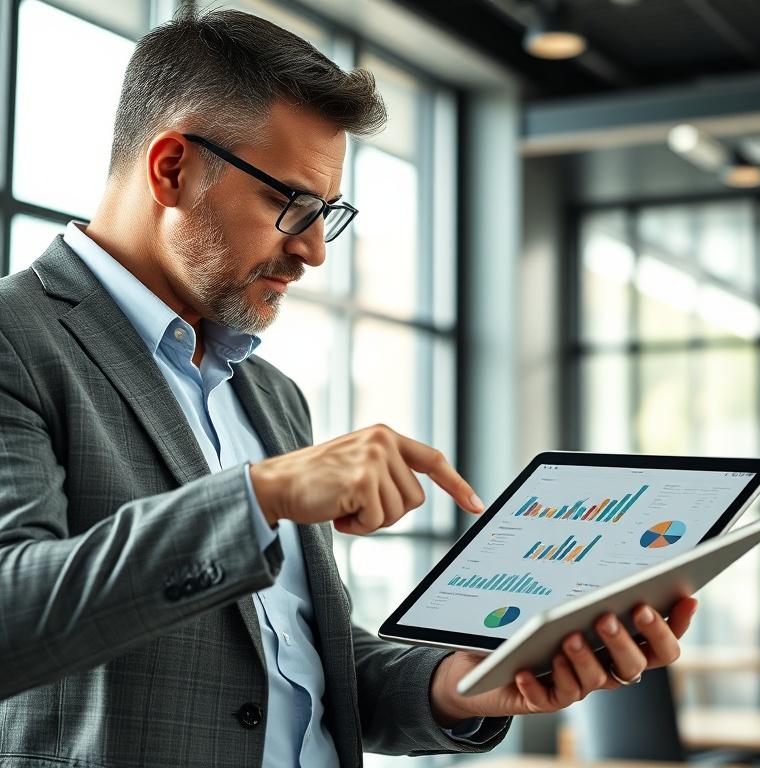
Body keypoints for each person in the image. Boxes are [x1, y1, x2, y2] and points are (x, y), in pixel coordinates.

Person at [0, 7, 698, 767]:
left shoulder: (269, 394)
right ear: (172, 168)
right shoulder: (17, 339)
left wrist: (457, 685)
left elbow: (300, 666)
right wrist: (259, 497)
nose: (312, 250)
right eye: (290, 204)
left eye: (325, 212)